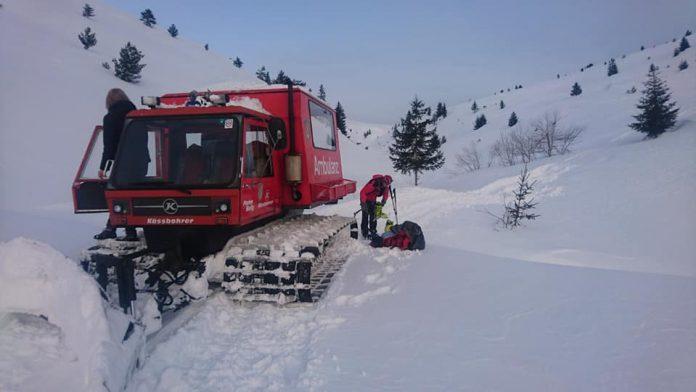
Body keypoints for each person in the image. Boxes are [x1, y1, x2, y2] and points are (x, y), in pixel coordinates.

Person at [94, 88, 138, 240]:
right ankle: (129, 231)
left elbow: (109, 146)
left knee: (118, 195)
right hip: (141, 162)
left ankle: (113, 228)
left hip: (123, 163)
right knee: (132, 194)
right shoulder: (136, 115)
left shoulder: (110, 118)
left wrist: (103, 167)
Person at [359, 174, 393, 239]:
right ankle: (364, 232)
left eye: (387, 184)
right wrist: (363, 204)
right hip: (365, 199)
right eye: (385, 183)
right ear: (383, 180)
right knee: (365, 215)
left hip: (373, 200)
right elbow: (362, 192)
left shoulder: (385, 186)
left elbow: (385, 194)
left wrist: (383, 201)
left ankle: (373, 230)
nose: (385, 185)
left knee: (374, 215)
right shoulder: (374, 183)